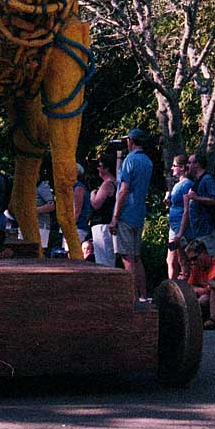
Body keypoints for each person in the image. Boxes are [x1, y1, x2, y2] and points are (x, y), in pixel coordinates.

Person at [110, 128, 152, 300]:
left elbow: (123, 190)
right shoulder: (148, 161)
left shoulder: (131, 160)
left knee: (127, 258)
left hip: (126, 213)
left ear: (131, 141)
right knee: (136, 257)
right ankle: (143, 295)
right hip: (139, 212)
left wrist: (115, 217)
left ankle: (132, 297)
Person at [184, 150, 215, 257]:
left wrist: (196, 198)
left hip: (209, 230)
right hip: (200, 230)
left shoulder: (207, 179)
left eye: (189, 162)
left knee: (211, 260)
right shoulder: (198, 180)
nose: (187, 165)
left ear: (197, 164)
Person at [165, 154, 193, 279]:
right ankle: (171, 288)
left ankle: (186, 290)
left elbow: (187, 209)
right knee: (170, 260)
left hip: (182, 229)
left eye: (174, 166)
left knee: (183, 260)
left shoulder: (187, 184)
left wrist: (180, 233)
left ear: (182, 167)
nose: (172, 168)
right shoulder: (178, 184)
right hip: (174, 226)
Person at [89, 153, 117, 267]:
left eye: (100, 166)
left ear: (107, 168)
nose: (98, 168)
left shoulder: (107, 184)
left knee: (103, 260)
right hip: (108, 223)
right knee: (109, 257)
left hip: (102, 225)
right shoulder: (116, 182)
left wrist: (92, 194)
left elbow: (96, 204)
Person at [185, 239, 215, 319]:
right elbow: (188, 287)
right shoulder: (196, 267)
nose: (192, 262)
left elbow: (209, 291)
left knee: (204, 299)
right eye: (190, 260)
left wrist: (196, 289)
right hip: (202, 297)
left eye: (194, 258)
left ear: (204, 253)